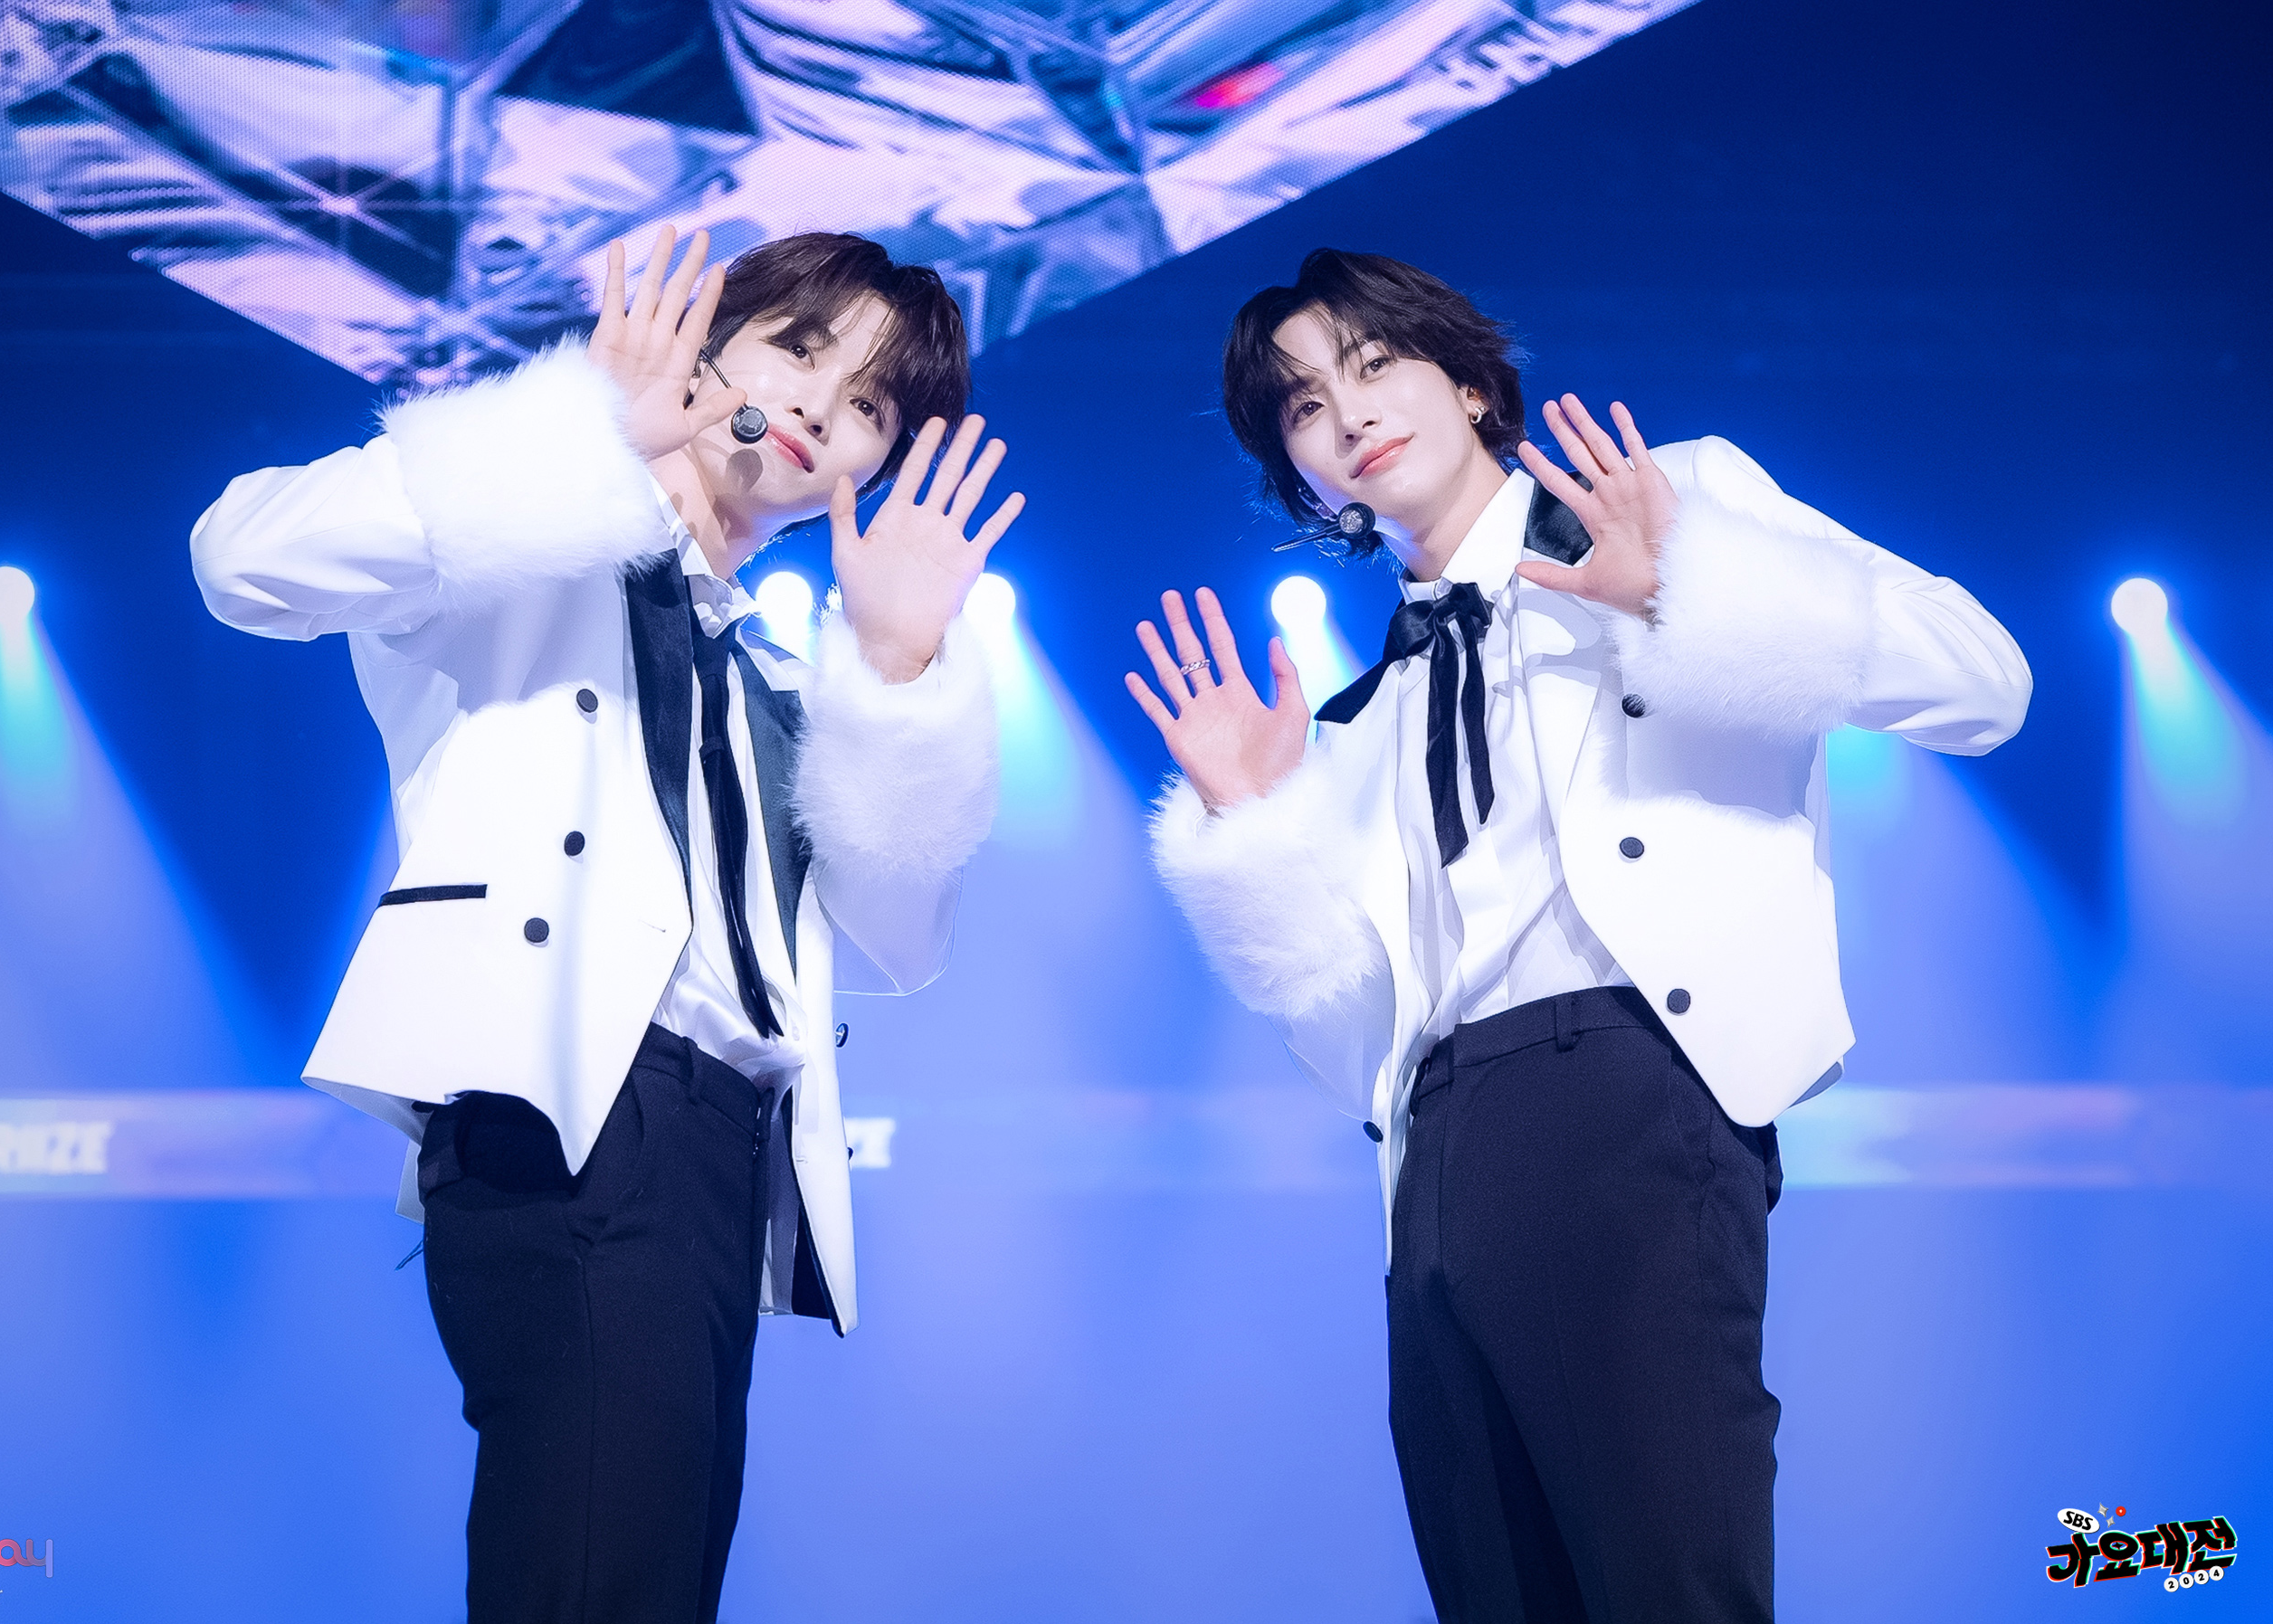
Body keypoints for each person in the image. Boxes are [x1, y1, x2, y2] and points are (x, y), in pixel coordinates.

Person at [1129, 248, 2029, 1622]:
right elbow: (1357, 1039)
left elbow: (1986, 682)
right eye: (1304, 406)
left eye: (1375, 364)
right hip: (1434, 1160)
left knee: (1670, 1586)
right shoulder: (1357, 721)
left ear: (1470, 384)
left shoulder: (1672, 510)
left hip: (1626, 1090)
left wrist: (1684, 593)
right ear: (1304, 479)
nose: (1349, 412)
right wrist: (1260, 833)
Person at [191, 225, 1019, 1622]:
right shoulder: (527, 545)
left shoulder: (785, 679)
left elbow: (902, 940)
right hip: (568, 1108)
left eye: (872, 404)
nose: (821, 406)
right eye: (800, 349)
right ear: (710, 347)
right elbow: (242, 561)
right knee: (594, 1574)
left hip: (723, 1155)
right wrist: (579, 436)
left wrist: (895, 672)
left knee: (645, 1578)